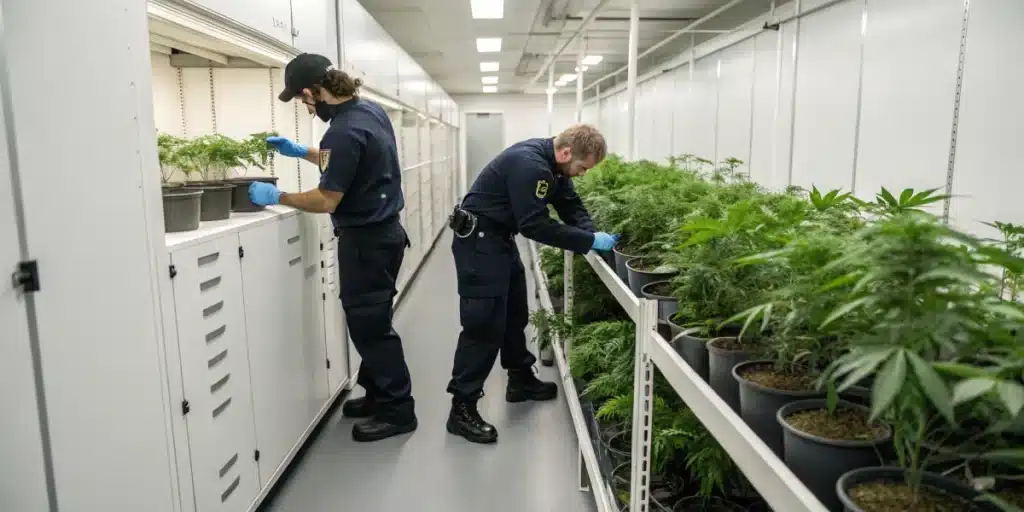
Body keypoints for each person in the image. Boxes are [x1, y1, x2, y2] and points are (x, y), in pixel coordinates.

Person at [248, 53, 416, 443]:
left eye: (303, 100)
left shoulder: (340, 131)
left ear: (313, 92)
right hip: (387, 235)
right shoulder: (368, 112)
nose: (307, 108)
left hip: (367, 242)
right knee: (374, 319)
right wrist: (300, 151)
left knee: (369, 327)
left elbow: (327, 200)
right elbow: (347, 160)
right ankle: (376, 394)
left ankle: (397, 409)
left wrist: (280, 195)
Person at [445, 124, 618, 444]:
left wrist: (592, 237)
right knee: (483, 326)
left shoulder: (555, 167)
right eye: (582, 168)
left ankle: (520, 379)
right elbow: (534, 225)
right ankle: (462, 408)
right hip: (479, 244)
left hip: (499, 240)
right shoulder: (531, 166)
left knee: (514, 314)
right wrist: (587, 240)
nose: (581, 174)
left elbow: (571, 205)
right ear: (567, 153)